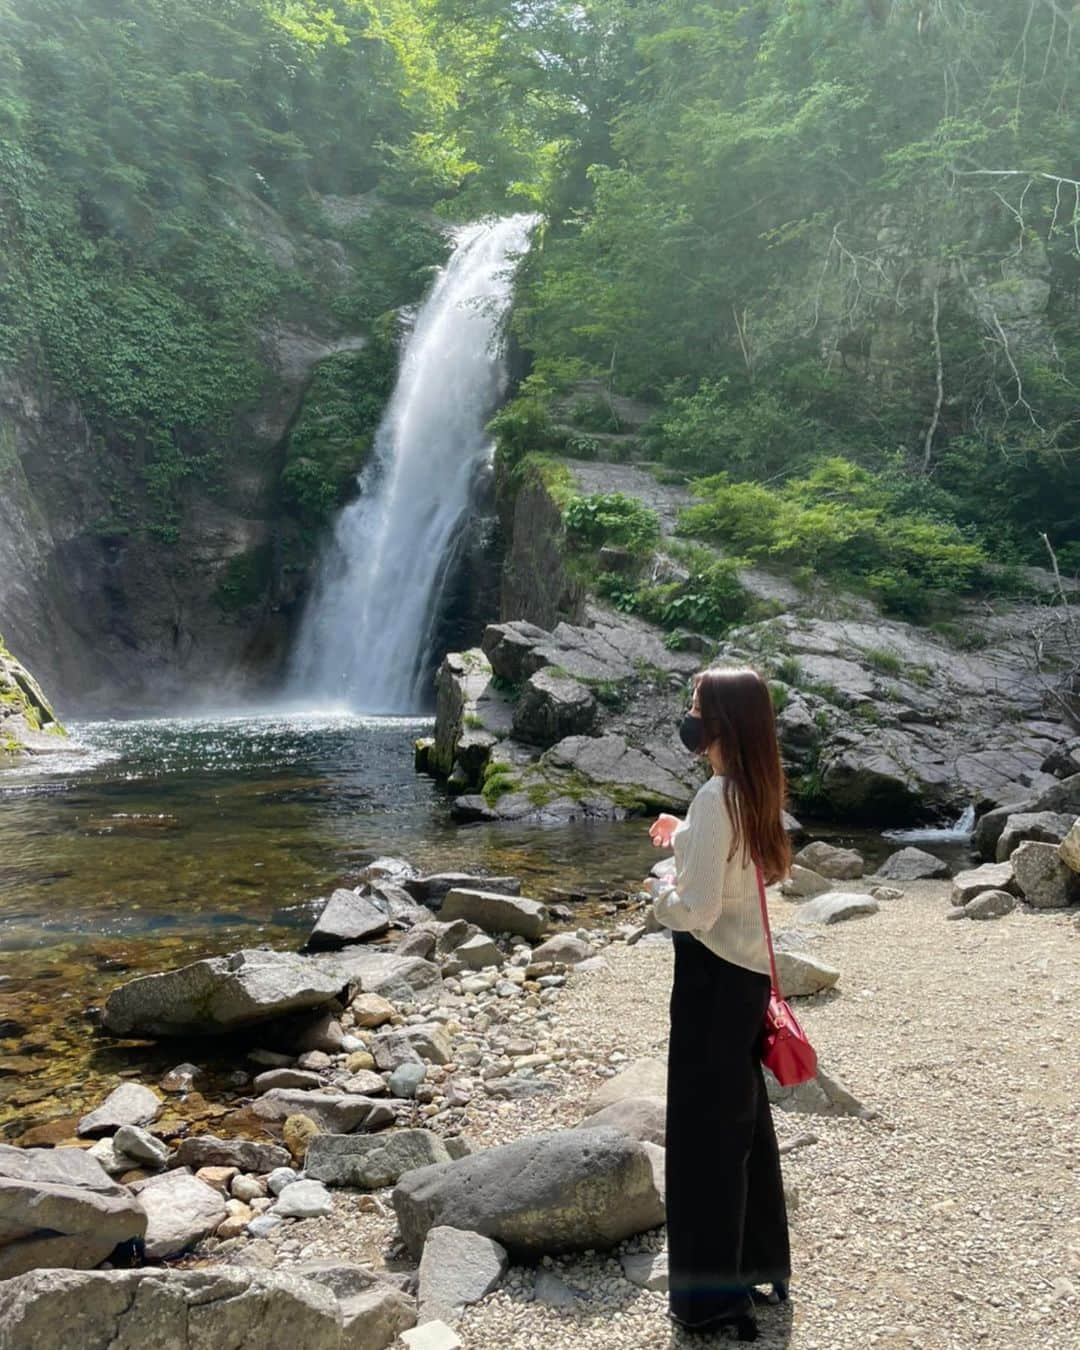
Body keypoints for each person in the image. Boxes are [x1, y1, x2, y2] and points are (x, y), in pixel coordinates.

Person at [645, 666, 792, 1342]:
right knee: (744, 1128)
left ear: (721, 724)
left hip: (712, 983)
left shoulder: (715, 795)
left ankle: (712, 1303)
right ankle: (760, 1265)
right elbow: (728, 860)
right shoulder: (755, 788)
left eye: (696, 707)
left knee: (706, 1141)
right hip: (748, 979)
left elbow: (698, 908)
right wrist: (682, 834)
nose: (689, 717)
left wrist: (658, 897)